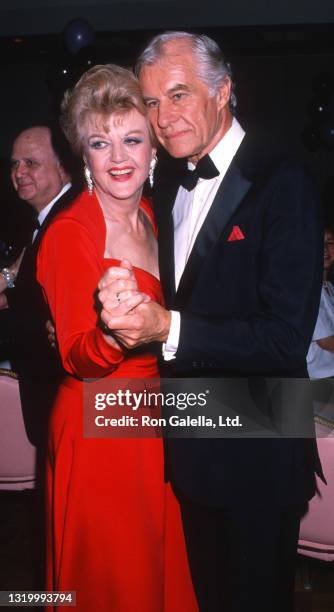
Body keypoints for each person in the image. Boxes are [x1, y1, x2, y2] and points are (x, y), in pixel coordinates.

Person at [98, 32, 324, 612]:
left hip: (261, 446)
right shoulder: (172, 177)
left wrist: (167, 329)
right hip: (193, 437)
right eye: (150, 102)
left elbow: (283, 338)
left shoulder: (283, 180)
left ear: (223, 91)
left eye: (178, 95)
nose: (162, 118)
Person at [36, 64, 196, 612]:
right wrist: (114, 335)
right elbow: (76, 355)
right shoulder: (70, 233)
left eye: (132, 139)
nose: (120, 158)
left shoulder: (158, 217)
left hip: (153, 420)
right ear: (84, 156)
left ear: (154, 148)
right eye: (101, 144)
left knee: (157, 572)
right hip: (97, 425)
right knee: (112, 580)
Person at [307, 225, 334, 380]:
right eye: (319, 242)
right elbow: (327, 342)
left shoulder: (328, 287)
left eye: (330, 242)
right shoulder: (308, 289)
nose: (324, 248)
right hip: (320, 378)